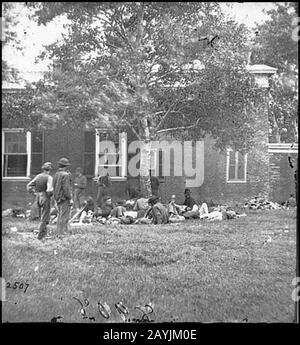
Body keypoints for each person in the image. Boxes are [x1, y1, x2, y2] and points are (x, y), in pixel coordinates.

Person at [26, 162, 53, 240]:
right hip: (45, 197)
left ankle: (43, 233)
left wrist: (35, 193)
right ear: (50, 170)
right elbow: (49, 190)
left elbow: (29, 186)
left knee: (42, 216)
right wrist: (52, 195)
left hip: (38, 197)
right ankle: (41, 236)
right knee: (45, 217)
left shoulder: (38, 176)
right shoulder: (49, 177)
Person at [53, 157, 73, 237]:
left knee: (60, 216)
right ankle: (62, 234)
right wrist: (70, 198)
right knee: (64, 216)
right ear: (66, 166)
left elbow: (54, 186)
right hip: (64, 198)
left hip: (58, 198)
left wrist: (55, 198)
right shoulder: (65, 175)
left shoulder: (56, 174)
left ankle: (59, 232)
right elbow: (66, 189)